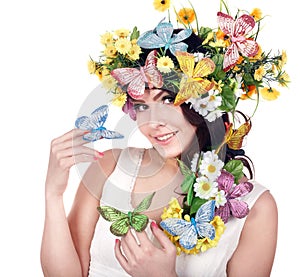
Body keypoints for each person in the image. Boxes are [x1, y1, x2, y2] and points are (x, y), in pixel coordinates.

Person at [41, 1, 288, 276]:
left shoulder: (255, 206)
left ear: (205, 99)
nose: (153, 122)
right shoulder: (110, 166)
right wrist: (53, 194)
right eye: (142, 106)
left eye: (168, 99)